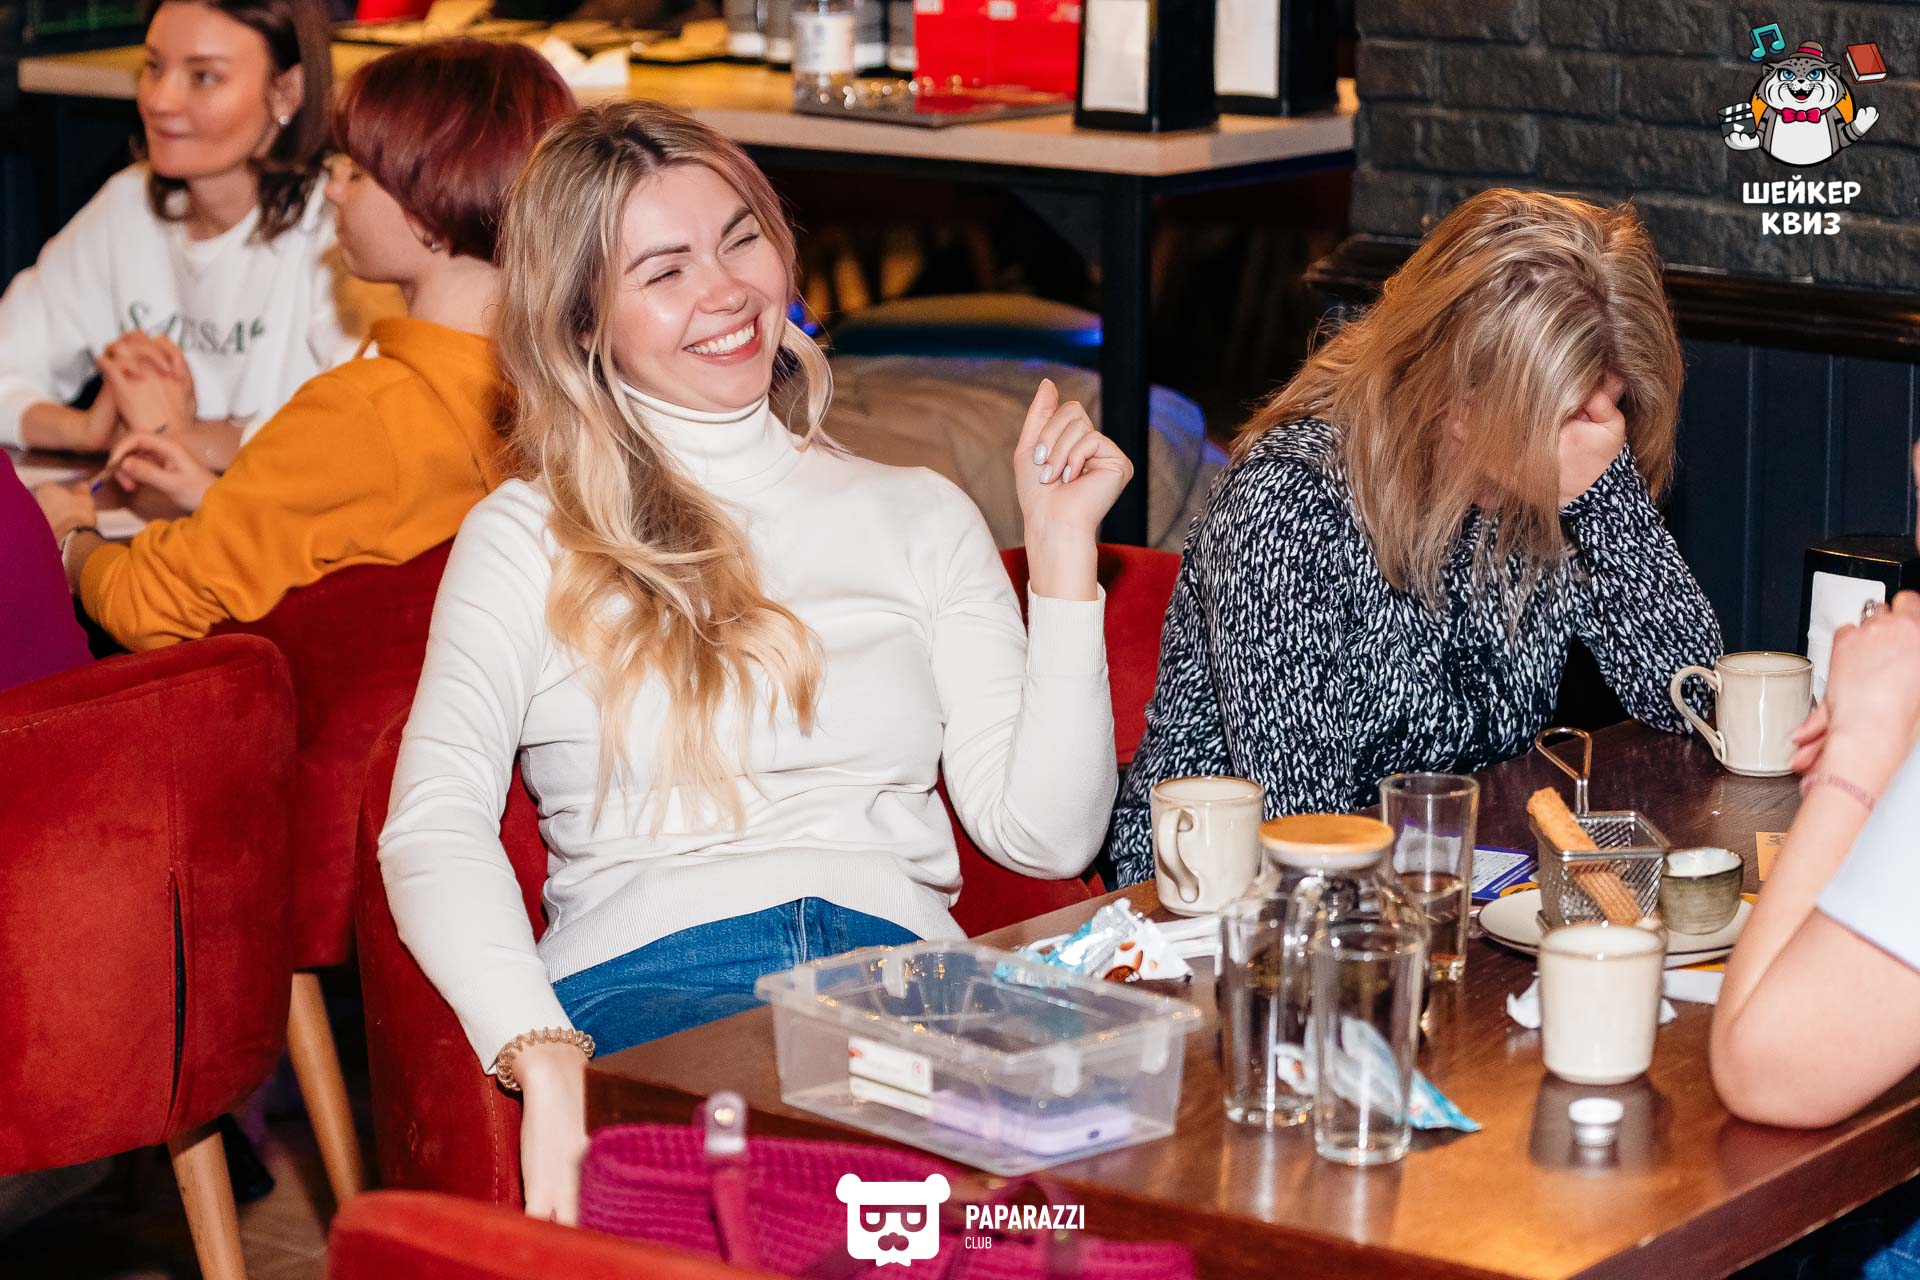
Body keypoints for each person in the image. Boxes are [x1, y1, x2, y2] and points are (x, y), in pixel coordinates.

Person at [378, 100, 1132, 1223]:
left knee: (1093, 1202)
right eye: (665, 270)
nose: (727, 290)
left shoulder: (919, 512)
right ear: (583, 322)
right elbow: (430, 826)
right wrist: (541, 1051)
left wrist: (1063, 559)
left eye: (741, 239)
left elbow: (1049, 836)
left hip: (910, 986)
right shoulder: (526, 536)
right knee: (826, 1216)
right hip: (657, 989)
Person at [1107, 188, 1724, 884]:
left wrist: (1607, 499)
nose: (1581, 443)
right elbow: (1306, 833)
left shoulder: (1557, 484)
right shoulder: (1287, 500)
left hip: (1448, 877)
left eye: (1602, 412)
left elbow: (1695, 707)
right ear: (1453, 395)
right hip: (1217, 903)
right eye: (1552, 420)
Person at [30, 40, 574, 651]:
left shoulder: (362, 412)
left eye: (357, 172)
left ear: (430, 211)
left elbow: (150, 604)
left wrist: (69, 537)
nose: (334, 189)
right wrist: (220, 499)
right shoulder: (559, 391)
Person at [0, 0, 362, 474]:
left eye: (203, 76)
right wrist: (87, 431)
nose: (159, 101)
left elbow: (358, 437)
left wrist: (179, 437)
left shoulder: (341, 222)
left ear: (287, 92)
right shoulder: (126, 205)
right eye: (153, 67)